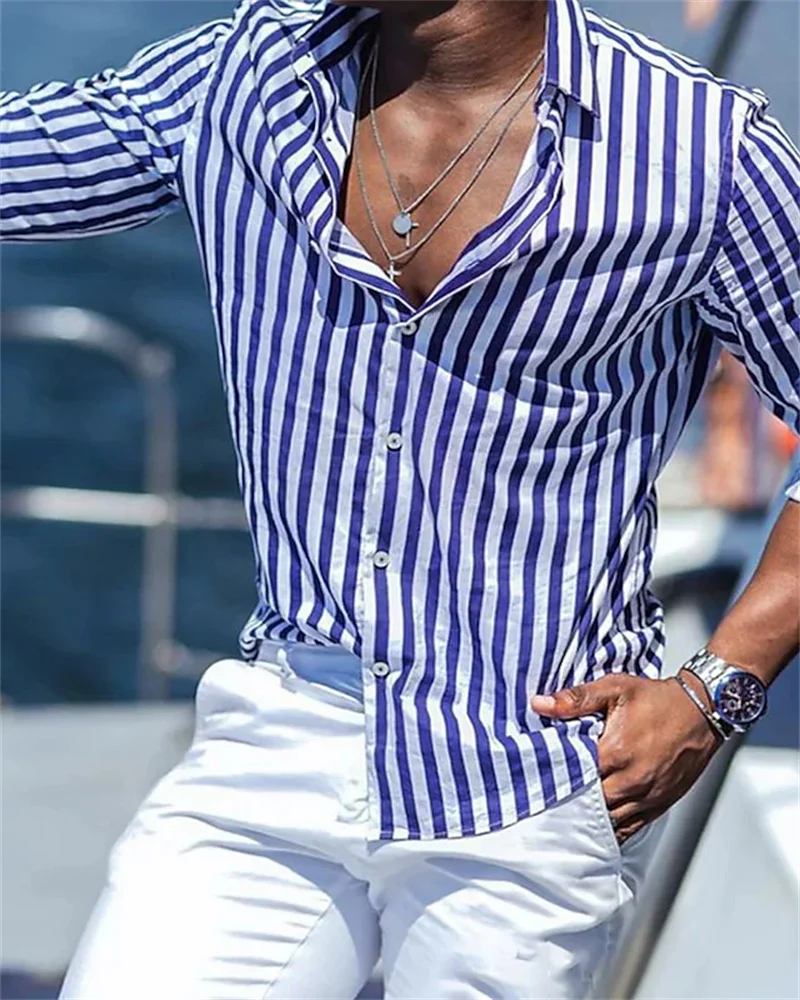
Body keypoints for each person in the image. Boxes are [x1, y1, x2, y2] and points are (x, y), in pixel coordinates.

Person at [2, 1, 798, 997]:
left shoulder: (703, 150)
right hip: (279, 727)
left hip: (530, 778)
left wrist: (717, 686)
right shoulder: (249, 73)